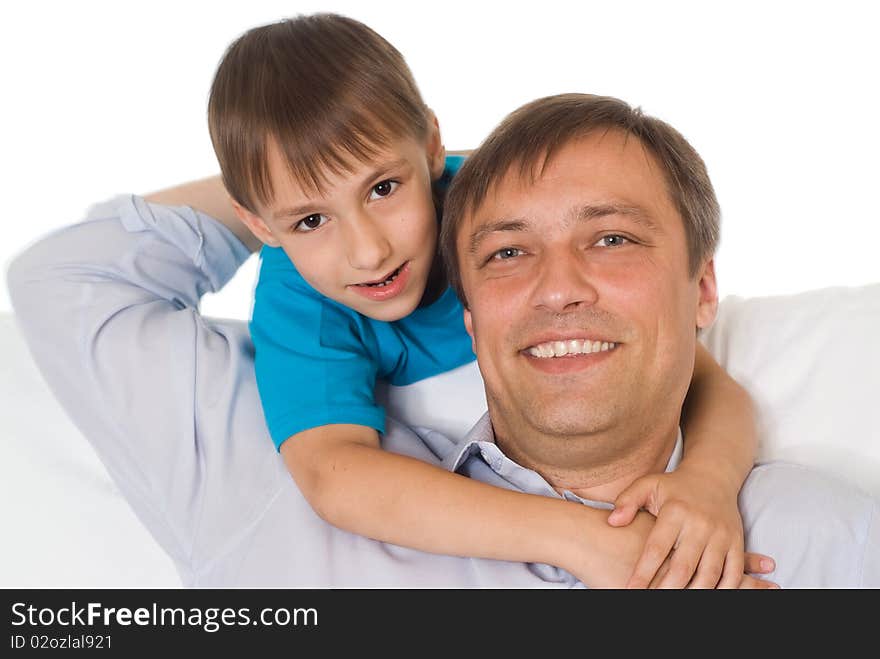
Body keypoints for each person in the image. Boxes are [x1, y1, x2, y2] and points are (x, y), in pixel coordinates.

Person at [8, 92, 878, 588]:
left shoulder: (817, 536)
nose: (558, 284)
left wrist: (711, 479)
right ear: (469, 310)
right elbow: (68, 282)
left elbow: (712, 389)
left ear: (702, 291)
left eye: (611, 237)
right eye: (506, 250)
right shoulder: (261, 485)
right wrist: (344, 177)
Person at [149, 13, 767, 588]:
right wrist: (577, 539)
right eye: (310, 220)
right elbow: (335, 476)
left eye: (384, 187)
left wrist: (707, 484)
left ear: (431, 148)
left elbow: (706, 382)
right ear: (259, 226)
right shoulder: (298, 304)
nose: (368, 251)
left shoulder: (508, 214)